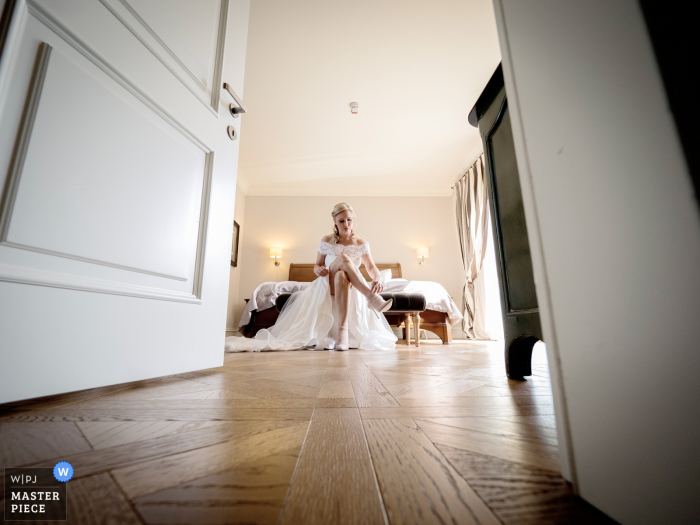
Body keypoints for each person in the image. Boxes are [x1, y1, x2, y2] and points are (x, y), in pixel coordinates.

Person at [224, 203, 397, 352]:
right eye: (341, 221)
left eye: (349, 220)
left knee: (342, 276)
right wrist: (319, 270)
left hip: (348, 284)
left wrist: (377, 278)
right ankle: (371, 297)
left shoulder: (361, 243)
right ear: (335, 222)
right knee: (343, 259)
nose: (346, 224)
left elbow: (372, 268)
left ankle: (342, 335)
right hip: (327, 282)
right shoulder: (327, 240)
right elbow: (317, 265)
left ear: (354, 220)